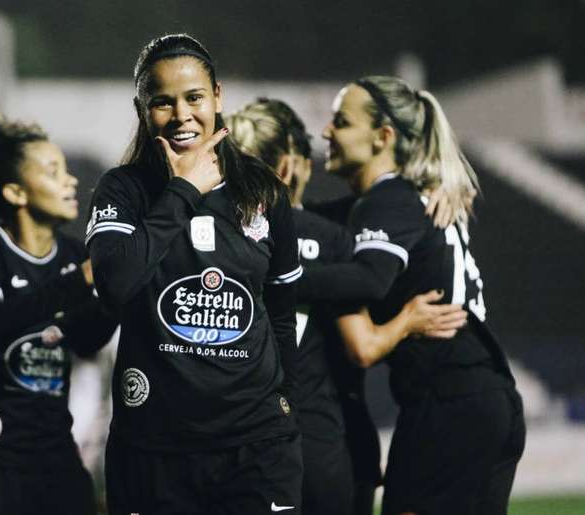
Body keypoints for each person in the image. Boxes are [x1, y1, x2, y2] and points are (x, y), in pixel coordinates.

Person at [86, 34, 304, 515]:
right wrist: (184, 188)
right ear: (142, 109)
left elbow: (285, 309)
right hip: (154, 449)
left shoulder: (262, 189)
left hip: (256, 447)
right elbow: (114, 283)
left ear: (218, 96)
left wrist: (284, 398)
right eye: (162, 102)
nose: (181, 114)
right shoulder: (122, 190)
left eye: (194, 97)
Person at [226, 98, 467, 515]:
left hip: (230, 443)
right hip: (321, 442)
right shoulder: (334, 237)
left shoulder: (210, 237)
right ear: (288, 166)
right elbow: (363, 347)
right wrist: (407, 320)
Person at [311, 76, 525, 515]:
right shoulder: (409, 199)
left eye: (341, 121)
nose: (326, 132)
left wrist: (279, 279)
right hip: (485, 397)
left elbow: (368, 279)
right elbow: (312, 221)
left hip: (449, 404)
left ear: (383, 137)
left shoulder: (388, 201)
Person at [0, 112, 117, 515]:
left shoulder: (72, 255)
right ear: (16, 192)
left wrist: (116, 295)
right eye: (53, 172)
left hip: (52, 458)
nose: (71, 181)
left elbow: (86, 341)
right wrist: (78, 283)